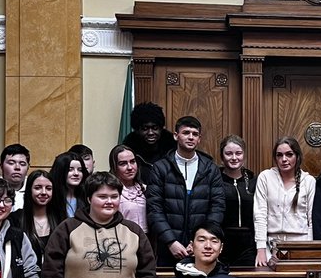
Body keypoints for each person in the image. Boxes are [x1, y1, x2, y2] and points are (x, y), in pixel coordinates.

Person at [147, 115, 225, 267]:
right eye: (186, 133)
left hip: (203, 248)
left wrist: (200, 241)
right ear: (176, 136)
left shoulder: (210, 169)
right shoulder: (160, 168)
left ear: (199, 138)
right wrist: (171, 241)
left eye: (195, 134)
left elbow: (218, 207)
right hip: (168, 248)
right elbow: (154, 209)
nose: (191, 137)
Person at [253, 136, 316, 269]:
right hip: (271, 245)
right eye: (279, 155)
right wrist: (261, 249)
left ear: (297, 156)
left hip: (300, 245)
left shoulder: (309, 181)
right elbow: (260, 215)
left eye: (289, 154)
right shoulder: (265, 177)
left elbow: (311, 219)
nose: (284, 159)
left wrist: (309, 249)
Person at [218, 135, 257, 268]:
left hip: (249, 244)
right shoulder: (215, 180)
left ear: (244, 155)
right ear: (222, 156)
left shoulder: (254, 181)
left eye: (238, 153)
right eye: (229, 153)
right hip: (222, 242)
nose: (234, 158)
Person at [123, 101, 176, 181]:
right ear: (137, 130)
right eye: (145, 129)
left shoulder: (173, 146)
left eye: (155, 128)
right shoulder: (128, 148)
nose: (150, 133)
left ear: (161, 128)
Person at [110, 143, 147, 233]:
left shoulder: (145, 189)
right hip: (123, 238)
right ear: (115, 167)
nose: (130, 167)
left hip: (147, 239)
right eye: (123, 164)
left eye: (132, 161)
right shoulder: (111, 192)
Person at [49, 151, 88, 219]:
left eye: (80, 170)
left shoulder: (86, 198)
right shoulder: (51, 198)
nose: (76, 173)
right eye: (70, 170)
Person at [0, 143, 30, 211]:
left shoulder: (33, 189)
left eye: (22, 164)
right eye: (11, 163)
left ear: (28, 167)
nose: (17, 167)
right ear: (1, 166)